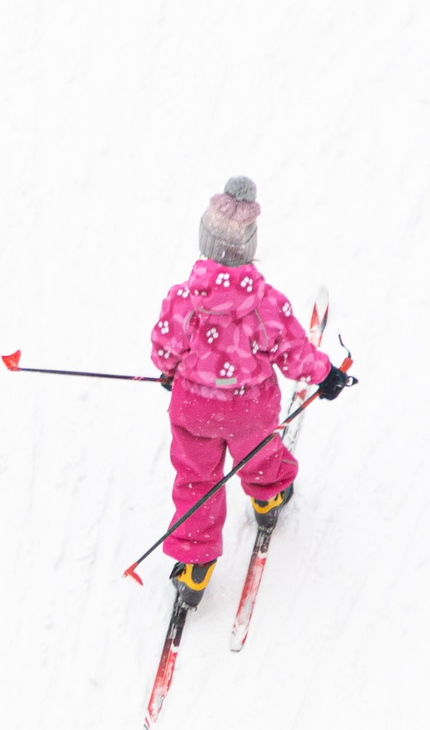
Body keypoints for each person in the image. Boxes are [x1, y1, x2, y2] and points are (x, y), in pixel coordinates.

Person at [149, 177, 350, 606]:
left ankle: (195, 567)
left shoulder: (182, 299)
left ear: (204, 243)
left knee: (197, 480)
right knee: (260, 453)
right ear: (249, 248)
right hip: (250, 411)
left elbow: (164, 347)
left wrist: (170, 371)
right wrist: (325, 373)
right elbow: (295, 351)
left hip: (194, 411)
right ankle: (269, 497)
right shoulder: (266, 304)